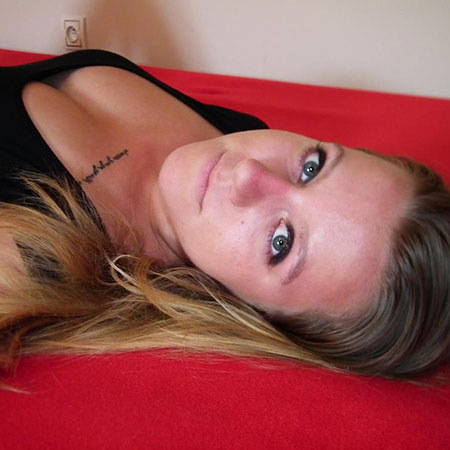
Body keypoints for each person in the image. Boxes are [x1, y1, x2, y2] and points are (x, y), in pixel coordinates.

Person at [0, 50, 449, 383]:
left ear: (256, 314)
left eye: (281, 243)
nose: (252, 172)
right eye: (313, 167)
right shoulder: (237, 130)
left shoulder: (42, 257)